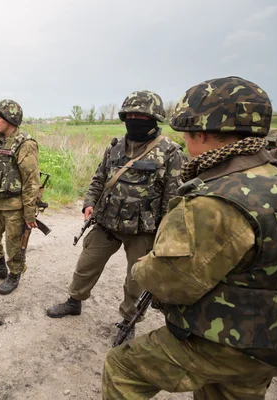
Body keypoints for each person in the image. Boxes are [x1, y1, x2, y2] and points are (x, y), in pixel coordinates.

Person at [102, 76, 277, 399]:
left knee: (122, 368)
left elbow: (169, 281)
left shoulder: (214, 202)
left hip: (234, 340)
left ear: (199, 134)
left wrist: (144, 264)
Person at [46, 91, 186, 339]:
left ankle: (128, 320)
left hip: (143, 230)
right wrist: (89, 202)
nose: (134, 119)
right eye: (130, 115)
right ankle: (74, 301)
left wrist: (163, 236)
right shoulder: (115, 147)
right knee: (86, 264)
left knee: (138, 279)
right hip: (107, 222)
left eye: (140, 115)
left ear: (153, 118)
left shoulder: (170, 152)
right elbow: (99, 178)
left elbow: (173, 199)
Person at [0, 99, 41, 295]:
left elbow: (31, 181)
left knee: (14, 243)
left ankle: (14, 274)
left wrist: (29, 214)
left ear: (9, 119)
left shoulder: (25, 144)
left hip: (15, 204)